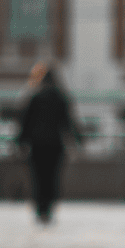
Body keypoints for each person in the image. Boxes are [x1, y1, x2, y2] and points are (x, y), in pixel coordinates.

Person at [16, 62, 81, 224]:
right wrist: (77, 140)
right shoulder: (60, 96)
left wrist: (20, 142)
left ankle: (40, 209)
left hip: (36, 145)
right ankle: (48, 209)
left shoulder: (34, 96)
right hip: (55, 145)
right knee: (52, 178)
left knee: (38, 178)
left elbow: (25, 122)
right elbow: (68, 122)